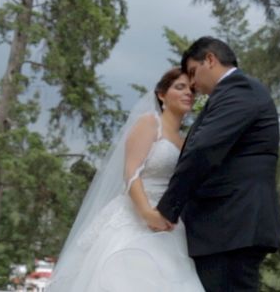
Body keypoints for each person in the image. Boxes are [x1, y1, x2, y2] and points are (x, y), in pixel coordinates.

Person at [47, 68, 205, 292]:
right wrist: (148, 214)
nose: (188, 93)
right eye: (179, 87)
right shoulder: (150, 123)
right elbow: (131, 173)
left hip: (170, 225)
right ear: (161, 95)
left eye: (191, 89)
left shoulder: (184, 141)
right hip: (135, 218)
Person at [153, 37, 280, 291]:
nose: (192, 84)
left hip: (232, 226)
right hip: (225, 228)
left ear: (210, 60)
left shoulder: (239, 90)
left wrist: (168, 209)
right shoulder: (231, 94)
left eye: (193, 73)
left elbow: (204, 149)